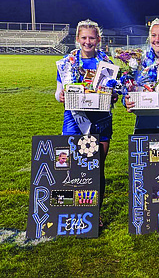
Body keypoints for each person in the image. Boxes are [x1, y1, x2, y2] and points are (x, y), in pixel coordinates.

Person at [55, 19, 116, 212]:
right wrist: (61, 95)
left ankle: (94, 212)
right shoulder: (66, 63)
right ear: (77, 38)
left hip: (100, 119)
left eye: (91, 38)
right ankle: (70, 210)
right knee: (72, 166)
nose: (87, 42)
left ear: (98, 39)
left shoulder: (107, 63)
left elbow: (114, 92)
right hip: (74, 119)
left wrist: (113, 95)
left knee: (97, 167)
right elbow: (58, 93)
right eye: (84, 37)